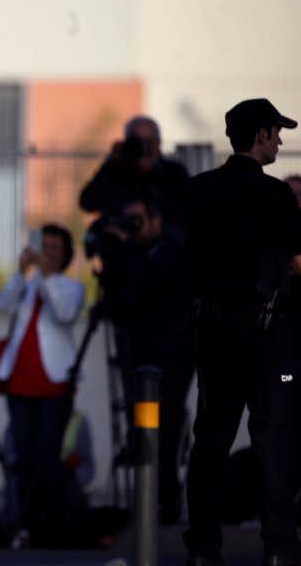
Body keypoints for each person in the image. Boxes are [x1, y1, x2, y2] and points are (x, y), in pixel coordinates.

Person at [183, 98, 301, 566]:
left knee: (211, 441)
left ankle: (204, 549)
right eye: (276, 132)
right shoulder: (275, 196)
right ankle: (278, 549)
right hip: (267, 336)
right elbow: (297, 261)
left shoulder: (196, 192)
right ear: (260, 135)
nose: (280, 140)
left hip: (210, 333)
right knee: (273, 440)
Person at [0, 223, 85, 549]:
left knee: (47, 457)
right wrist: (21, 273)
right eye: (43, 246)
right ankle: (21, 524)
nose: (46, 252)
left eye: (54, 247)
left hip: (54, 383)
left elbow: (64, 313)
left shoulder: (71, 287)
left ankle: (43, 524)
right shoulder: (30, 285)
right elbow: (1, 305)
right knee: (23, 456)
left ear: (66, 254)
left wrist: (44, 276)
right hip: (20, 381)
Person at [110, 196, 194, 523]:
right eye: (128, 221)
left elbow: (146, 282)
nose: (133, 229)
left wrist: (128, 249)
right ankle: (148, 502)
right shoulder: (135, 252)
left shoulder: (171, 250)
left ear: (156, 220)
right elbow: (122, 299)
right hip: (138, 355)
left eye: (138, 221)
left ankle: (168, 503)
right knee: (141, 431)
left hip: (170, 359)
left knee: (166, 430)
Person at [80, 115, 190, 236]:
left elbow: (183, 212)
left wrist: (149, 173)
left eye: (149, 142)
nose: (144, 148)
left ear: (158, 143)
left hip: (164, 247)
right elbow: (88, 203)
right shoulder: (116, 171)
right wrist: (110, 164)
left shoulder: (173, 172)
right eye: (138, 142)